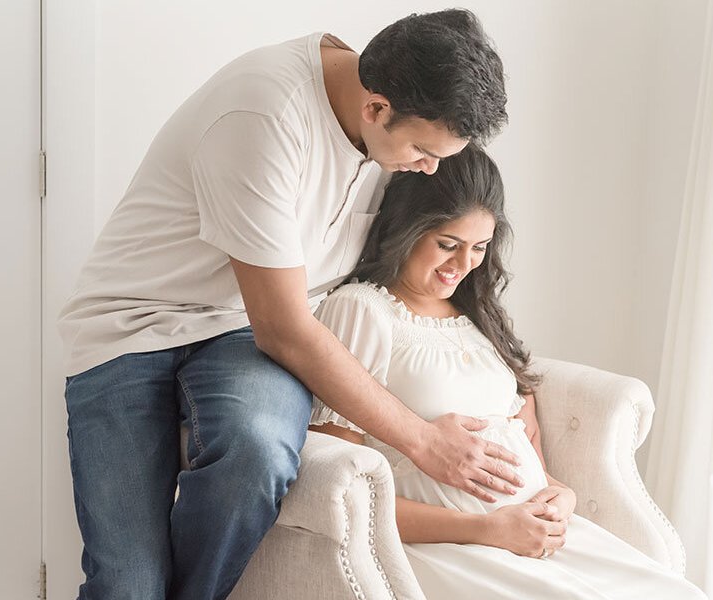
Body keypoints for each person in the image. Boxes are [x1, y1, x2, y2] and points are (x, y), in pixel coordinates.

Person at [58, 10, 520, 600]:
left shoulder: (396, 110)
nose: (429, 168)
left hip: (240, 333)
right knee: (127, 584)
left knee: (257, 452)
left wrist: (510, 378)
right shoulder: (263, 115)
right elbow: (285, 330)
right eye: (424, 152)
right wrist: (426, 443)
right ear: (376, 109)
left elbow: (455, 231)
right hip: (132, 326)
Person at [310, 145, 708, 599]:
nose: (463, 265)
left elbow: (528, 458)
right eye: (447, 244)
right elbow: (339, 491)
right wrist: (487, 529)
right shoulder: (362, 311)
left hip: (539, 539)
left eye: (479, 247)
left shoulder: (477, 318)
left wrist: (563, 495)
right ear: (406, 228)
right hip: (455, 547)